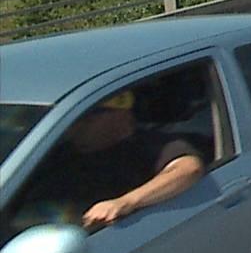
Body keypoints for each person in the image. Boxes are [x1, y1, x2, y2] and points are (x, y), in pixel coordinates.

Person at [12, 89, 208, 234]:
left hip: (102, 240)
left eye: (86, 118)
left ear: (120, 115)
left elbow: (188, 168)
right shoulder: (52, 152)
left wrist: (125, 202)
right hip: (33, 232)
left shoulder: (150, 145)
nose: (75, 126)